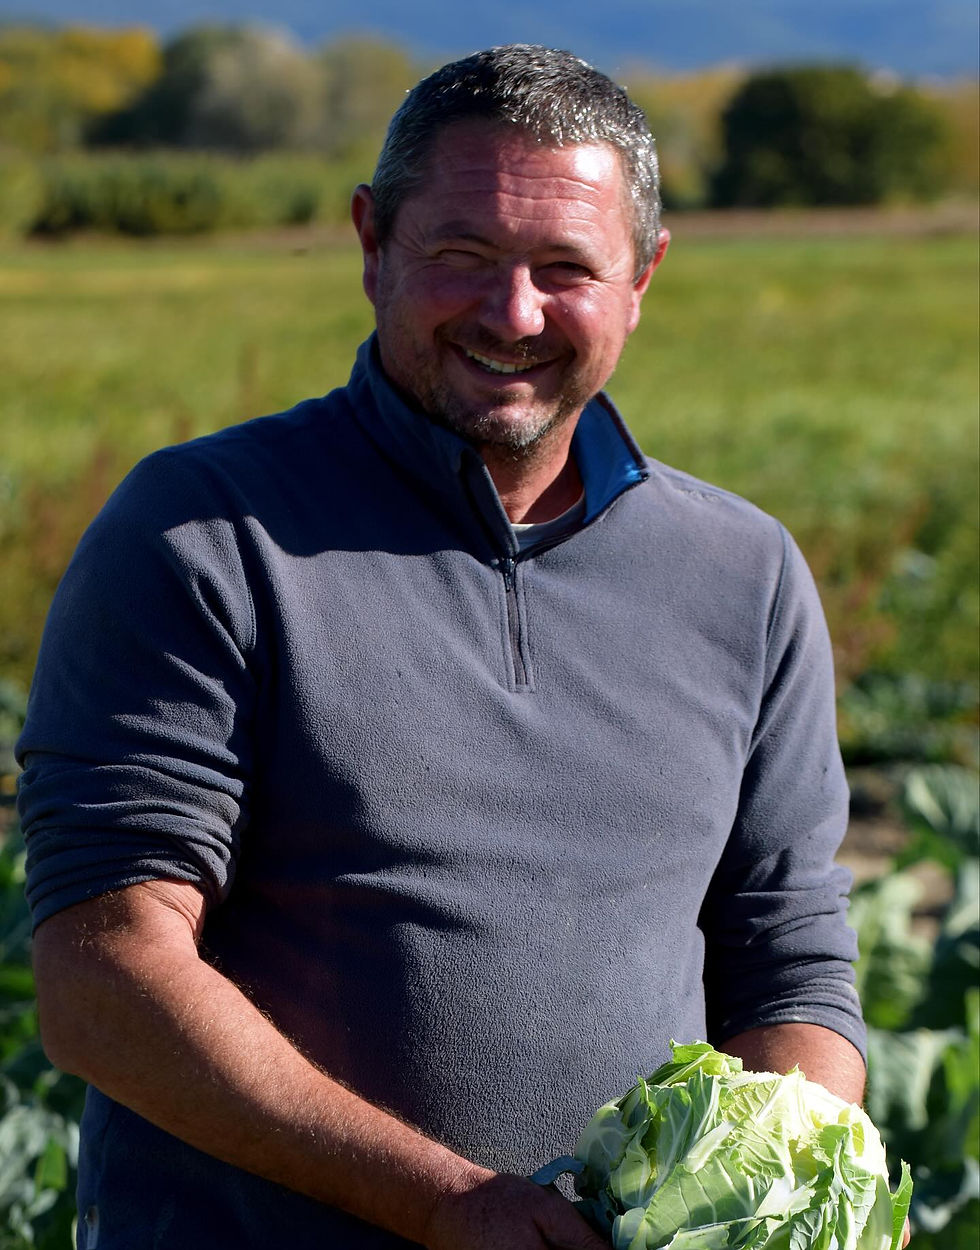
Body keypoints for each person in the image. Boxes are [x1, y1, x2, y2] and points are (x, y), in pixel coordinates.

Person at [18, 45, 869, 1250]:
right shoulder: (202, 534)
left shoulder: (742, 571)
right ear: (372, 242)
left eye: (564, 268)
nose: (511, 314)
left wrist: (781, 1192)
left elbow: (787, 962)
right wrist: (441, 1201)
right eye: (462, 255)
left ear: (644, 276)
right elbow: (103, 976)